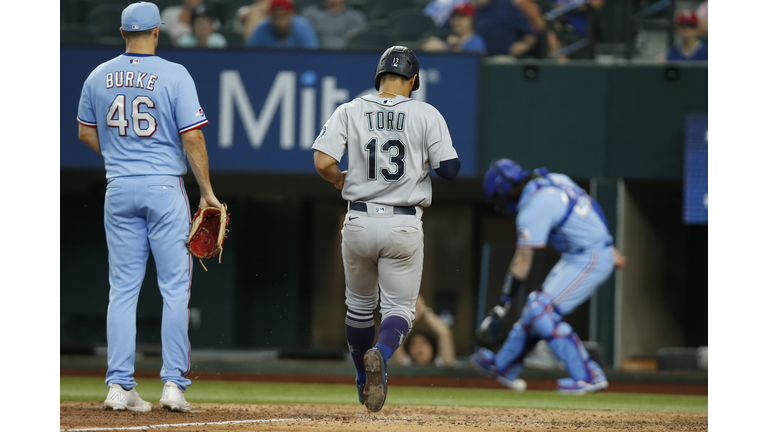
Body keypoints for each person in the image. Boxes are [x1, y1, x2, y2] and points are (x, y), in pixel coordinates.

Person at [76, 1, 221, 413]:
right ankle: (174, 385)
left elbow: (85, 133)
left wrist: (122, 154)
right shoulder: (175, 73)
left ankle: (119, 386)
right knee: (174, 288)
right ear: (158, 31)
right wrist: (207, 190)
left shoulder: (97, 75)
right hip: (163, 187)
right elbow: (193, 138)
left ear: (123, 33)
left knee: (122, 289)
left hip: (119, 186)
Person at [311, 46, 461, 412]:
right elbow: (450, 170)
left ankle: (363, 379)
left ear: (379, 77)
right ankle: (381, 352)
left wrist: (338, 179)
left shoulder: (350, 108)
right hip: (402, 223)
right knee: (400, 311)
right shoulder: (426, 113)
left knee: (359, 308)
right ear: (414, 80)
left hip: (359, 220)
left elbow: (322, 162)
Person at [471, 159, 625, 394]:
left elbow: (522, 262)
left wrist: (503, 305)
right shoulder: (554, 178)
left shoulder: (532, 206)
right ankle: (503, 365)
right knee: (535, 308)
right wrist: (608, 241)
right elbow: (591, 206)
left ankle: (587, 375)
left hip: (589, 256)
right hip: (583, 253)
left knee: (542, 309)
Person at [390, 295, 456, 366]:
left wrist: (424, 311)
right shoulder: (406, 365)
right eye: (414, 344)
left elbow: (444, 334)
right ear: (408, 350)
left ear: (432, 347)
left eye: (424, 342)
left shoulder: (442, 364)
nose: (419, 346)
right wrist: (413, 316)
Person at [246, 0, 319, 49]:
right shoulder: (262, 28)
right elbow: (249, 55)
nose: (280, 22)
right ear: (270, 17)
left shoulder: (302, 26)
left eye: (284, 17)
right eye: (276, 18)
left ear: (291, 15)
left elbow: (313, 55)